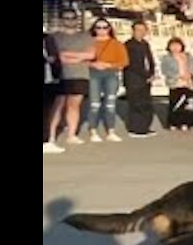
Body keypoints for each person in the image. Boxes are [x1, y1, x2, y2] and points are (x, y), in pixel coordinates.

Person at [50, 10, 96, 146]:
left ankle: (71, 135)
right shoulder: (54, 37)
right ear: (61, 20)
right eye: (66, 18)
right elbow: (56, 56)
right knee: (57, 106)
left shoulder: (85, 36)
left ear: (76, 20)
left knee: (74, 105)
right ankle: (51, 136)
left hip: (79, 74)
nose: (69, 21)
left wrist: (67, 56)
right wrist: (78, 56)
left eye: (72, 18)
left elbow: (90, 55)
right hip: (60, 75)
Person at [86, 19, 129, 143]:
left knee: (110, 104)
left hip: (111, 74)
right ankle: (93, 130)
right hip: (93, 74)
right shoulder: (89, 43)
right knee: (94, 104)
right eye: (98, 27)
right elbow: (82, 59)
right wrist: (93, 64)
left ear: (109, 29)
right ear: (94, 29)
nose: (101, 30)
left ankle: (111, 131)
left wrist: (108, 65)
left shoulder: (116, 44)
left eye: (105, 27)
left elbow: (124, 61)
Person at [123, 21, 157, 138]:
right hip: (134, 78)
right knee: (136, 104)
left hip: (146, 79)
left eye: (143, 30)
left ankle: (144, 127)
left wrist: (152, 73)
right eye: (138, 30)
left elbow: (150, 60)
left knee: (146, 103)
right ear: (133, 31)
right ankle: (135, 129)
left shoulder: (145, 44)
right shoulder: (129, 45)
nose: (141, 33)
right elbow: (132, 64)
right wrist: (146, 75)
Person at [161, 38, 193, 131]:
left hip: (188, 83)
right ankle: (173, 123)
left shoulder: (188, 56)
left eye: (177, 45)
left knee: (187, 105)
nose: (175, 48)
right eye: (172, 45)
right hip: (175, 83)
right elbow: (165, 70)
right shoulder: (167, 58)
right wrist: (178, 76)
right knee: (175, 104)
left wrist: (189, 75)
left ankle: (186, 123)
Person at [43, 31, 66, 154]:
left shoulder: (48, 38)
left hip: (49, 79)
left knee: (47, 110)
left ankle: (46, 141)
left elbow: (55, 57)